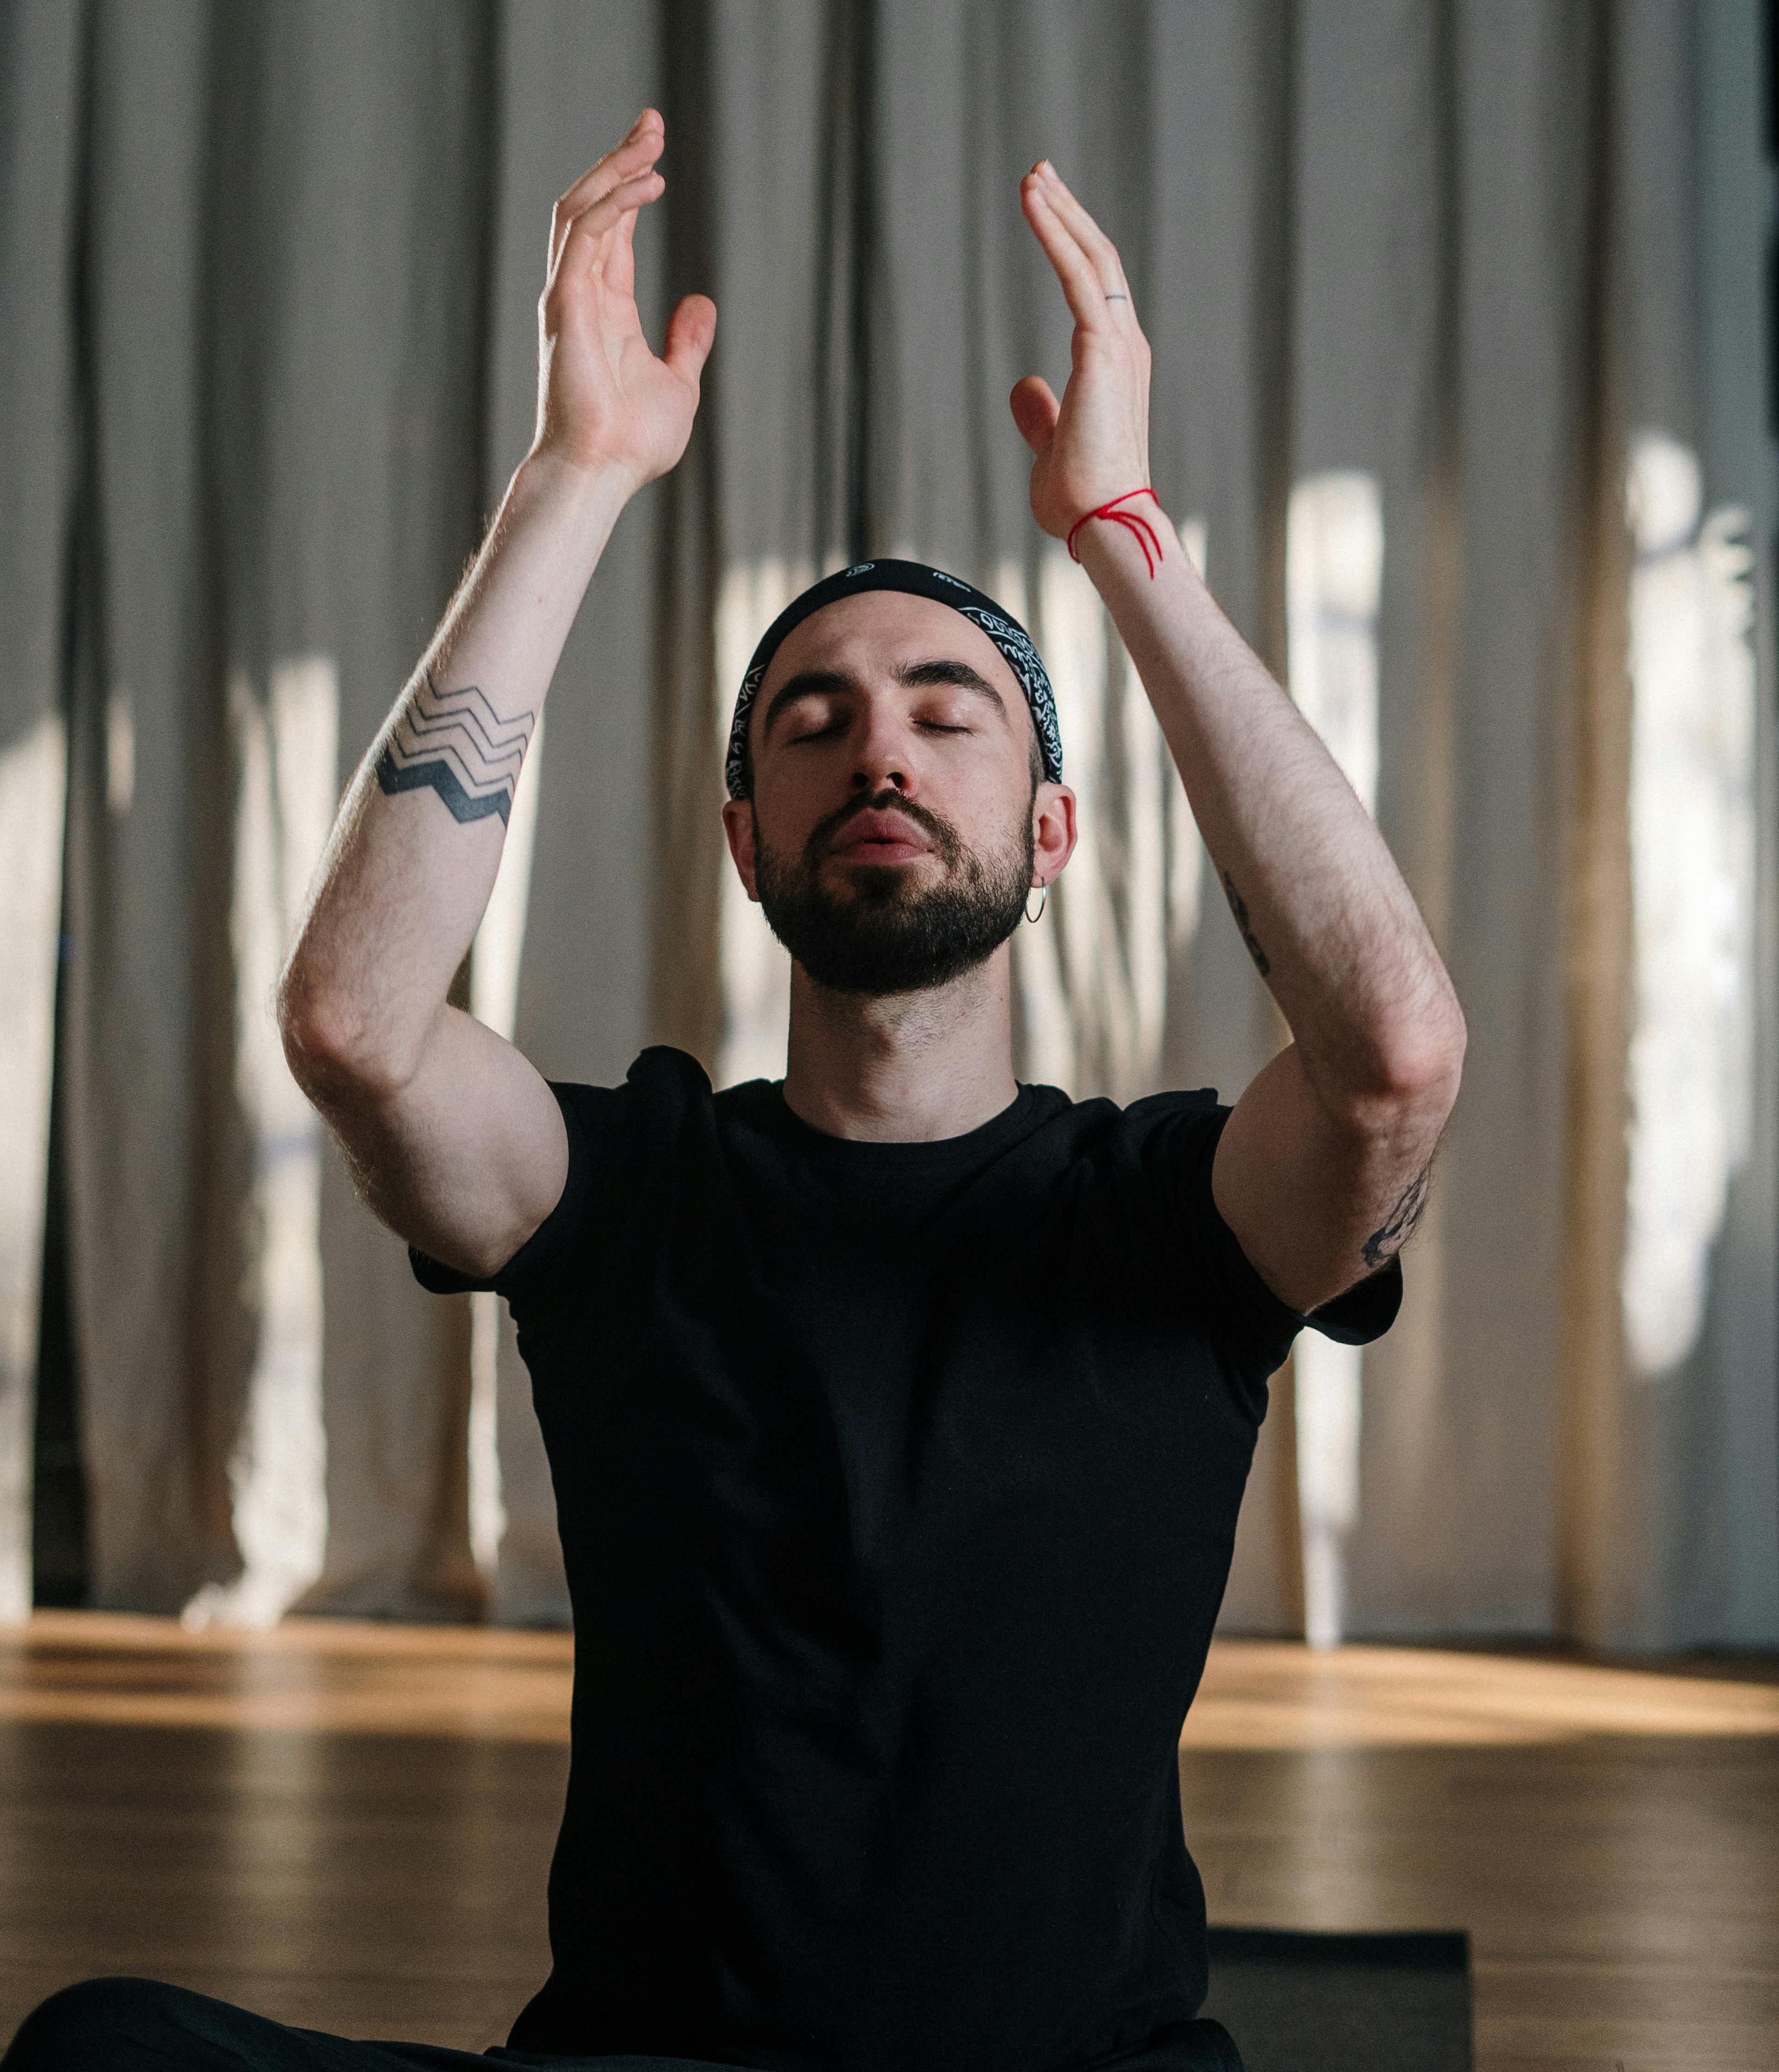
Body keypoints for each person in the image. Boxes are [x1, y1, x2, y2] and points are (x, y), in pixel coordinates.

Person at [7, 114, 1464, 2072]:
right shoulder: (621, 1192)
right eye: (814, 718)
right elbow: (356, 1027)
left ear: (1050, 832)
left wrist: (1122, 541)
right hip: (649, 2069)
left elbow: (1395, 1057)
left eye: (947, 714)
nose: (879, 746)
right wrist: (575, 476)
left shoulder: (1170, 1215)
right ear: (743, 838)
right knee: (109, 2049)